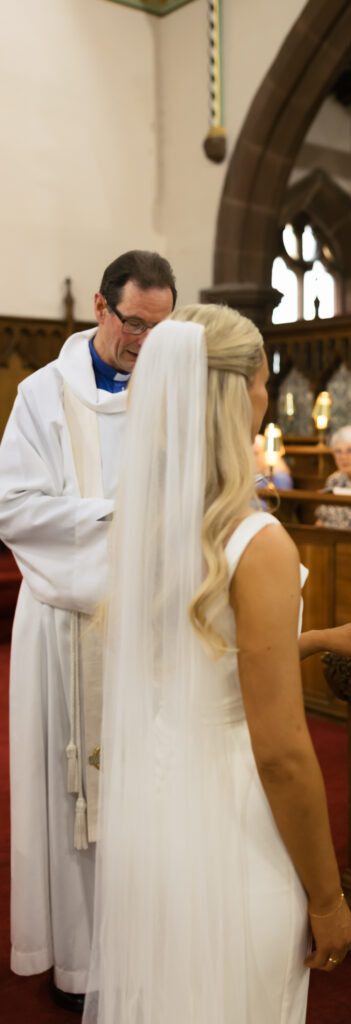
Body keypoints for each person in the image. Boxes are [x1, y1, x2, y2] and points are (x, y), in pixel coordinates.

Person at [84, 305, 351, 1024]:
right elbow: (283, 752)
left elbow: (209, 663)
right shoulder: (257, 542)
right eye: (264, 378)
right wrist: (327, 897)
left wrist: (317, 638)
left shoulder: (149, 517)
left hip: (157, 807)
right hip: (229, 815)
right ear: (243, 393)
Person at [0, 250, 176, 1009]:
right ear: (101, 309)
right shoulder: (42, 395)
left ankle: (142, 951)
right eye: (134, 323)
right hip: (61, 626)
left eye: (161, 327)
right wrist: (122, 526)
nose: (144, 341)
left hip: (147, 629)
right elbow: (13, 509)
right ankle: (76, 962)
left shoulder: (171, 393)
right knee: (64, 793)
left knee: (148, 792)